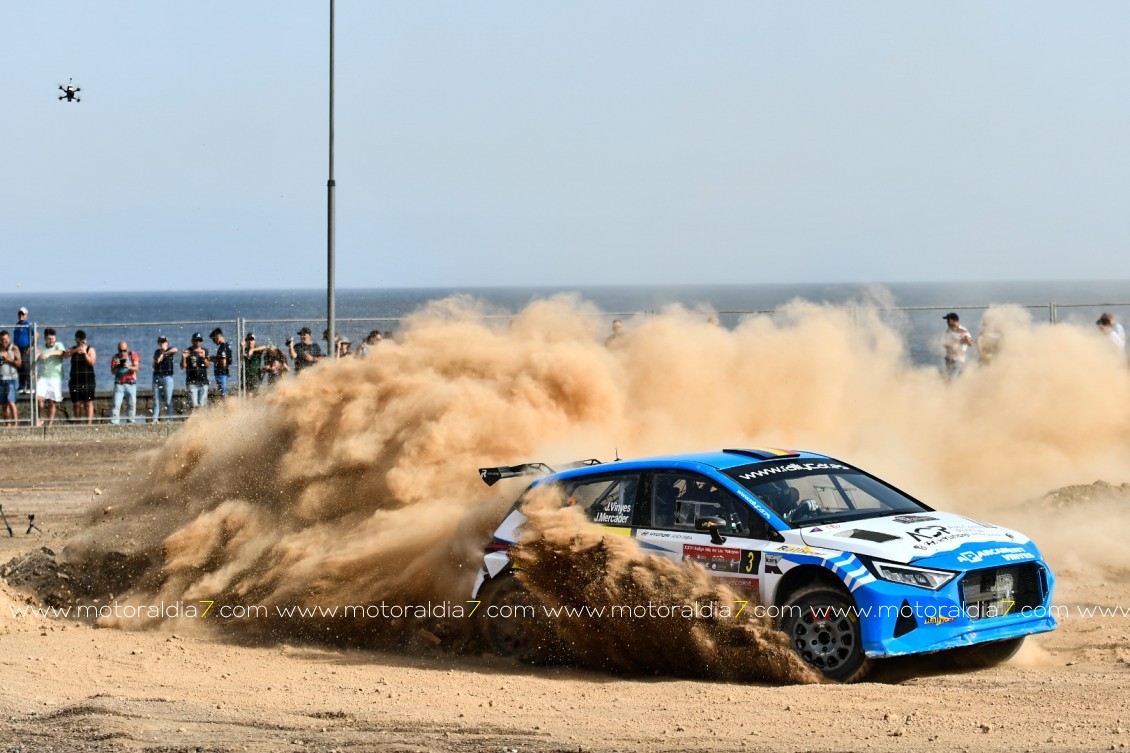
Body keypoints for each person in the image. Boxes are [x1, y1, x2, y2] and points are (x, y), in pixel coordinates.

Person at [34, 328, 66, 427]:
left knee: (52, 402)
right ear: (45, 339)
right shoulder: (40, 347)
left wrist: (49, 354)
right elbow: (34, 361)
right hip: (42, 377)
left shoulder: (58, 345)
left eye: (52, 339)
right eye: (49, 339)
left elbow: (61, 352)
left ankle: (50, 425)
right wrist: (33, 372)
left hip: (55, 378)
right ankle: (40, 418)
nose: (51, 341)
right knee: (39, 399)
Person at [65, 330, 97, 424]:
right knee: (76, 404)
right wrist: (76, 350)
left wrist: (85, 354)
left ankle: (89, 424)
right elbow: (65, 355)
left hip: (88, 380)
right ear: (76, 340)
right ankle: (78, 424)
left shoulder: (90, 350)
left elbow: (92, 362)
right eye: (78, 341)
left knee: (88, 403)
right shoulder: (73, 349)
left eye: (82, 341)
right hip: (75, 380)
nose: (80, 343)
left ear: (85, 340)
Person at [109, 340, 140, 424]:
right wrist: (116, 365)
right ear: (118, 350)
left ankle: (131, 422)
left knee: (132, 405)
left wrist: (129, 367)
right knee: (116, 405)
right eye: (120, 351)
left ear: (127, 349)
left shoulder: (133, 355)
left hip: (131, 384)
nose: (122, 353)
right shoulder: (115, 358)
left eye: (124, 350)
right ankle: (114, 423)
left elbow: (137, 368)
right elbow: (113, 372)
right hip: (119, 384)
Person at [180, 332, 210, 412]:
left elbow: (208, 365)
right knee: (193, 405)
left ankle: (200, 422)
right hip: (191, 382)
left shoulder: (204, 351)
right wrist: (184, 358)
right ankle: (194, 422)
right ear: (192, 341)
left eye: (199, 340)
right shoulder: (188, 351)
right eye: (196, 340)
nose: (198, 342)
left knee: (202, 405)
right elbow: (183, 366)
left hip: (203, 381)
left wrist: (203, 358)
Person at [151, 336, 178, 422]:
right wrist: (156, 361)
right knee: (156, 401)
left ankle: (169, 420)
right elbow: (153, 365)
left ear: (167, 342)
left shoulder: (170, 350)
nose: (162, 343)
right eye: (160, 342)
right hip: (157, 377)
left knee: (168, 400)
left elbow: (175, 350)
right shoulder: (157, 352)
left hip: (167, 377)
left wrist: (164, 354)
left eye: (163, 342)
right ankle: (154, 420)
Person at [941, 313, 974, 381]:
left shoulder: (963, 331)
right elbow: (947, 344)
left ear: (954, 321)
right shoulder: (948, 331)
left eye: (948, 320)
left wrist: (967, 340)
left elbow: (971, 343)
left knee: (951, 380)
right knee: (946, 380)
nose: (947, 322)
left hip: (958, 361)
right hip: (949, 360)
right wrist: (946, 345)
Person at [0, 330, 21, 425]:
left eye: (6, 339)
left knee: (11, 401)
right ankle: (8, 424)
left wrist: (8, 358)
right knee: (4, 404)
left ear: (9, 339)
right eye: (2, 340)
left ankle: (16, 424)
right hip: (1, 379)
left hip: (11, 379)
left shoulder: (14, 348)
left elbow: (20, 364)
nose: (4, 341)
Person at [209, 328, 233, 397]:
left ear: (217, 337)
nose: (213, 342)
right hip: (224, 373)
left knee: (224, 394)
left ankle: (227, 407)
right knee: (224, 393)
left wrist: (214, 360)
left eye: (213, 339)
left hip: (221, 374)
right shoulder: (227, 346)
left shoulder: (222, 348)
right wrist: (216, 358)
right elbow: (230, 361)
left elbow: (223, 363)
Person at [14, 307, 31, 394]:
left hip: (25, 349)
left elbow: (36, 334)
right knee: (19, 367)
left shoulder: (28, 324)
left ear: (26, 315)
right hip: (17, 349)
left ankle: (28, 386)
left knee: (25, 367)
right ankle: (21, 385)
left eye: (23, 314)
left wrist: (31, 346)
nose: (21, 316)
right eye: (20, 314)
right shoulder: (17, 325)